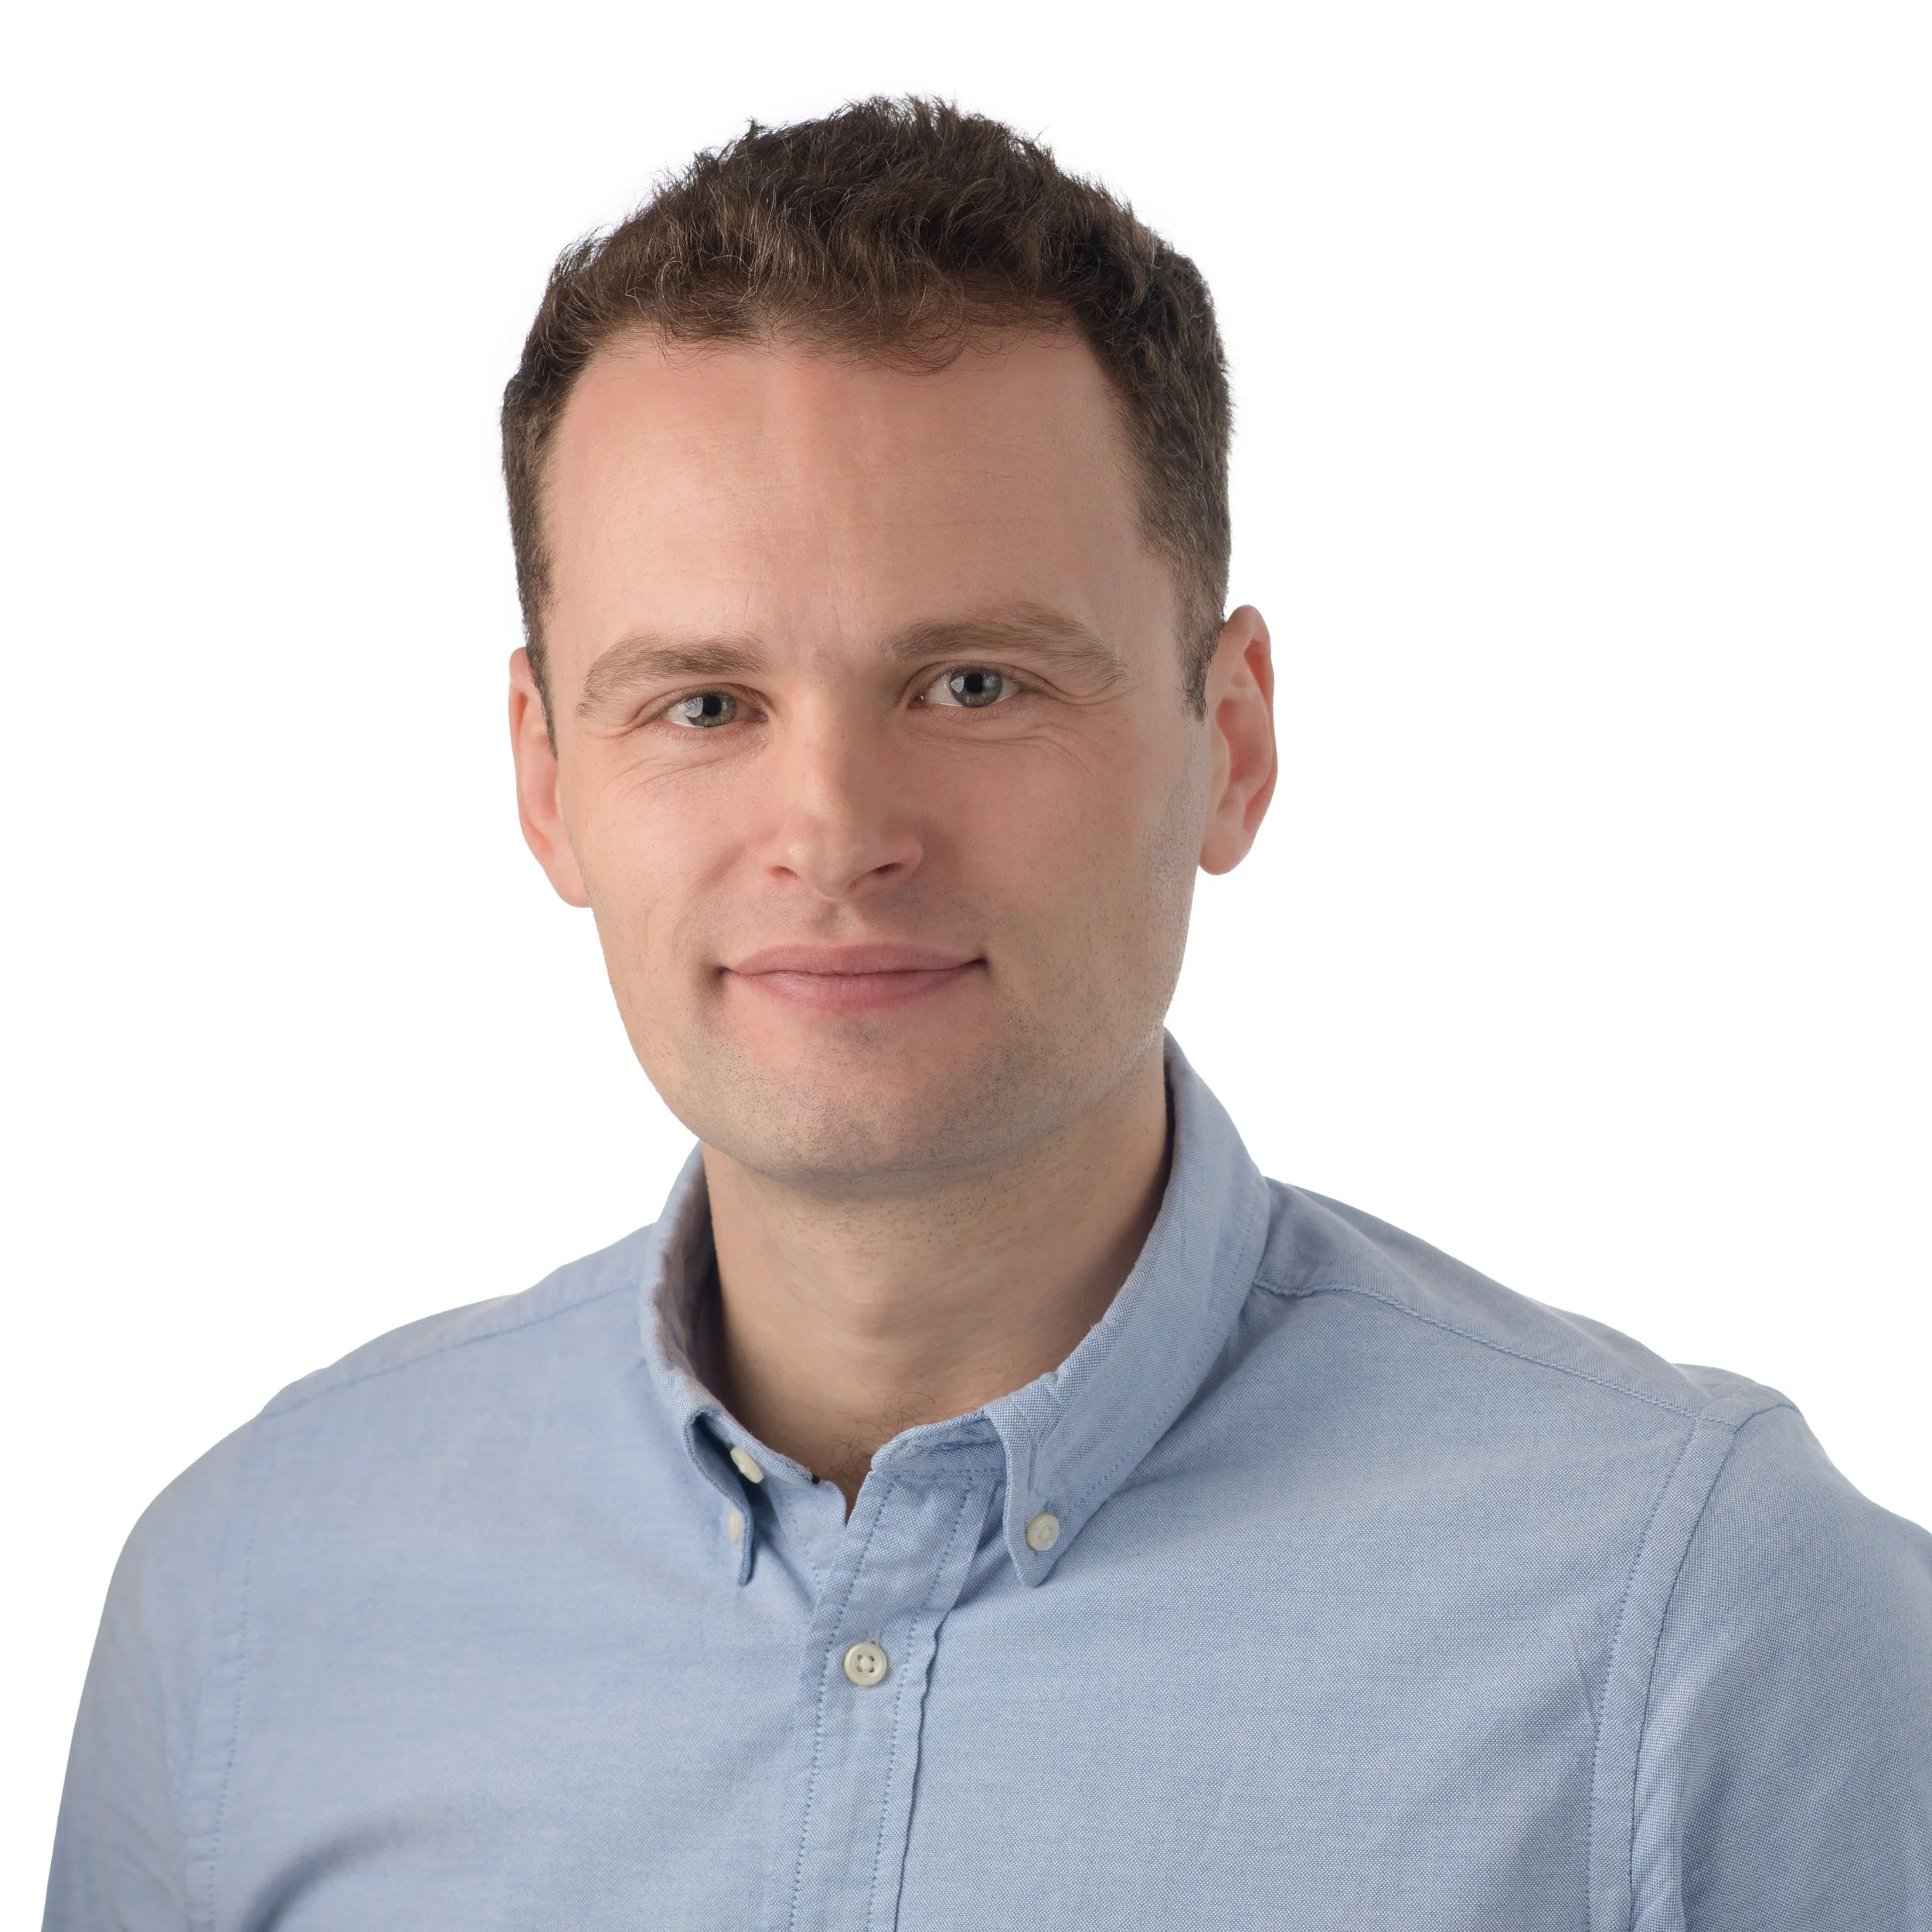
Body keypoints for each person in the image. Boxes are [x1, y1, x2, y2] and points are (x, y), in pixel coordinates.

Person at [45, 97, 1931, 1931]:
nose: (836, 833)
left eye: (969, 681)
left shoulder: (1697, 1624)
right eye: (700, 701)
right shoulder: (247, 1608)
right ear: (546, 777)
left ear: (1233, 742)